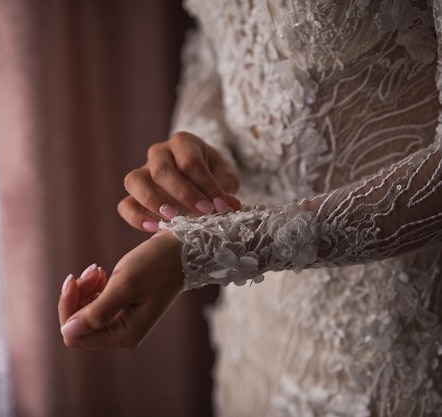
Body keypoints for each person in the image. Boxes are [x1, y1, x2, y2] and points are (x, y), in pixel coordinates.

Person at [58, 1, 442, 416]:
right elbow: (214, 50)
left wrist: (212, 248)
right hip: (254, 333)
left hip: (386, 334)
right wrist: (201, 153)